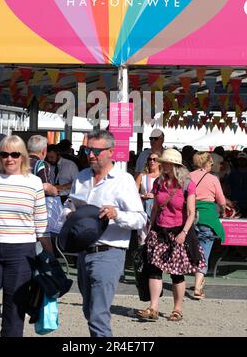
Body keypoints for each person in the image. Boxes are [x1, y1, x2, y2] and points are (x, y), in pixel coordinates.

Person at [62, 129, 146, 337]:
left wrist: (116, 214)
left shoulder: (123, 180)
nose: (90, 155)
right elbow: (69, 203)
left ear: (111, 152)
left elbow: (141, 218)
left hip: (109, 251)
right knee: (89, 310)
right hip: (83, 252)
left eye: (96, 151)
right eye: (87, 149)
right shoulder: (81, 177)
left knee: (98, 314)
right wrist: (68, 213)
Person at [0, 135, 52, 337]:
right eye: (5, 154)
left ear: (22, 156)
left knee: (14, 312)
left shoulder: (34, 182)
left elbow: (41, 225)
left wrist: (50, 259)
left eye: (15, 154)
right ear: (0, 156)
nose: (10, 159)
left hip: (22, 253)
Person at [136, 149, 205, 322]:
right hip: (159, 230)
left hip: (177, 232)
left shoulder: (188, 184)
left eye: (164, 162)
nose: (161, 164)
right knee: (154, 270)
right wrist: (150, 226)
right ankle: (153, 308)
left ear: (173, 165)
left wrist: (183, 233)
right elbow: (156, 207)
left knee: (176, 273)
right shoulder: (159, 182)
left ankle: (177, 309)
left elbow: (191, 213)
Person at [190, 151, 226, 299]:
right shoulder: (213, 178)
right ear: (206, 163)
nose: (212, 165)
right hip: (207, 217)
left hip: (190, 216)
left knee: (193, 249)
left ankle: (197, 278)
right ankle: (198, 287)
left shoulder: (188, 176)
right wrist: (224, 210)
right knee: (204, 251)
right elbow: (221, 200)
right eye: (211, 163)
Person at [135, 151, 161, 238]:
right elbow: (133, 193)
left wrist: (155, 196)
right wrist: (142, 196)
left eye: (155, 159)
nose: (152, 161)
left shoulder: (163, 176)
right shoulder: (142, 176)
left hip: (159, 212)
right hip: (143, 210)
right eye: (150, 159)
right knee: (143, 238)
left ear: (160, 162)